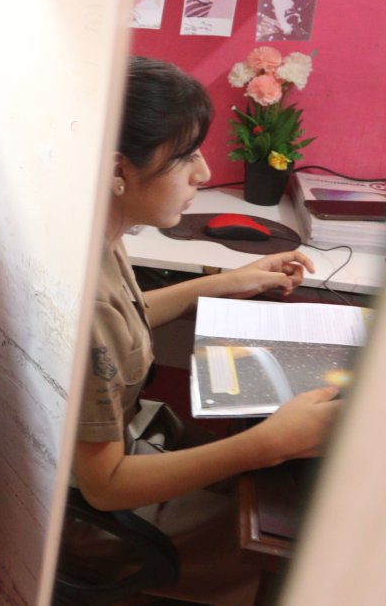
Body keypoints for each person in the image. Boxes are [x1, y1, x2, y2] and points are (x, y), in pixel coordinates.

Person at [59, 57, 341, 605]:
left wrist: (225, 283)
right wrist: (267, 445)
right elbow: (105, 484)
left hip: (140, 445)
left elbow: (127, 317)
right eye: (184, 155)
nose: (204, 173)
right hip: (104, 522)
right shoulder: (86, 295)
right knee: (308, 542)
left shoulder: (99, 229)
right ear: (119, 168)